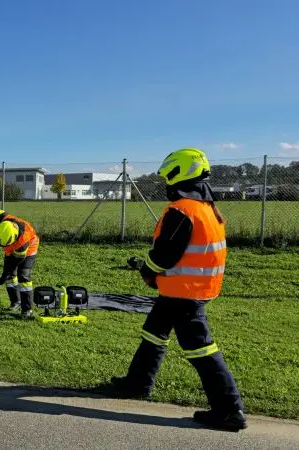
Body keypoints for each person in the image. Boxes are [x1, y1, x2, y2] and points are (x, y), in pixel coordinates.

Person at [103, 148, 247, 431]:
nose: (165, 181)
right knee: (153, 333)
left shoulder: (182, 210)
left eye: (167, 175)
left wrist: (148, 271)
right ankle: (137, 384)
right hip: (190, 289)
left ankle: (230, 411)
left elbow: (164, 255)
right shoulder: (208, 209)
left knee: (201, 350)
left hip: (184, 293)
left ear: (178, 173)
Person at [0, 209, 40, 317]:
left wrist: (4, 275)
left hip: (29, 249)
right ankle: (16, 302)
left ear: (13, 238)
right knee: (10, 277)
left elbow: (13, 263)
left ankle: (27, 310)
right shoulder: (3, 218)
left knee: (23, 276)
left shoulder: (22, 243)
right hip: (12, 249)